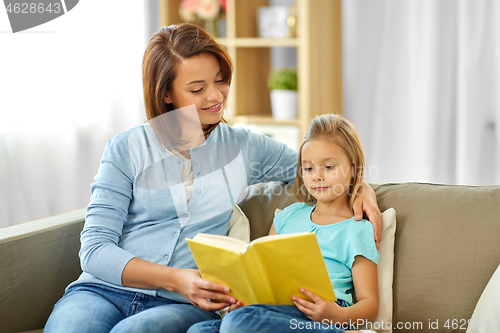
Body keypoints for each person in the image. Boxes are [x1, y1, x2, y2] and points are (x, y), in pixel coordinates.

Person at [44, 24, 381, 333]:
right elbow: (95, 249)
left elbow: (315, 166)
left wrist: (361, 187)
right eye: (197, 87)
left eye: (220, 79)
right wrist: (177, 279)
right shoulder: (125, 149)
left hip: (183, 305)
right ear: (166, 94)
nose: (216, 95)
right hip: (102, 290)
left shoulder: (243, 146)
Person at [189, 114, 379, 333]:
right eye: (308, 168)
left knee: (236, 324)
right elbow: (262, 269)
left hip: (322, 312)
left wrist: (338, 315)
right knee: (199, 330)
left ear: (353, 169)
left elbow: (370, 304)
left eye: (328, 167)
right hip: (274, 308)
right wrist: (246, 300)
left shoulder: (357, 229)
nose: (316, 176)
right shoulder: (288, 216)